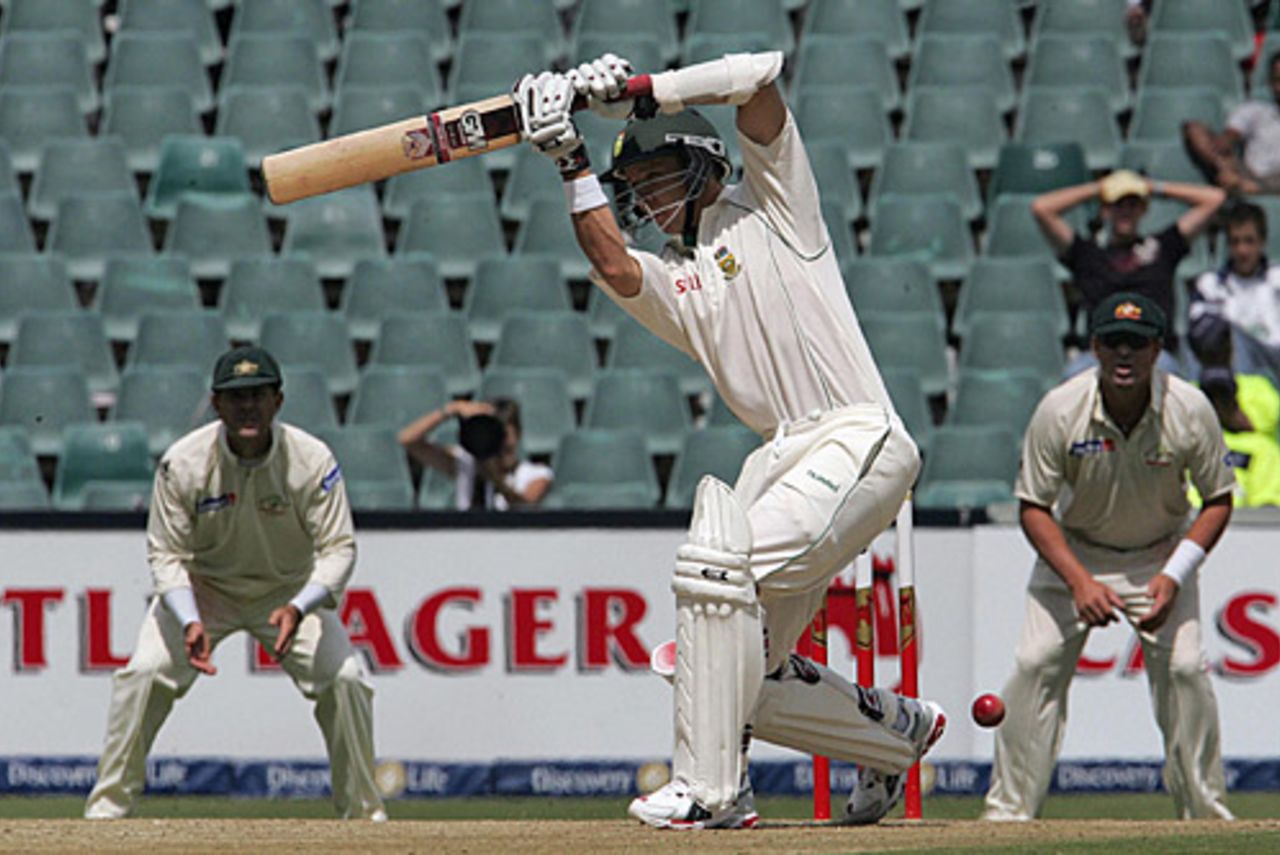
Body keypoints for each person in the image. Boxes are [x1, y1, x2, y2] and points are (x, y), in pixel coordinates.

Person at [512, 52, 945, 829]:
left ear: (701, 161)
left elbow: (761, 77)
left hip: (858, 434)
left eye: (651, 177)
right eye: (631, 187)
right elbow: (611, 260)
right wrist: (570, 158)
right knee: (731, 667)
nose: (640, 197)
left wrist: (643, 94)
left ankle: (713, 791)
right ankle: (891, 735)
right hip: (781, 460)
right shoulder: (684, 286)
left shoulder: (776, 206)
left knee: (713, 575)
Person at [84, 346, 385, 822]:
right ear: (217, 404)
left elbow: (339, 549)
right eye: (236, 396)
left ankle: (364, 818)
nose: (248, 406)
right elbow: (166, 554)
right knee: (142, 675)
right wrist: (187, 619)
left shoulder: (311, 459)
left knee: (346, 681)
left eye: (259, 395)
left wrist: (301, 606)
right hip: (203, 590)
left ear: (278, 401)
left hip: (289, 592)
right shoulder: (182, 463)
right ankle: (106, 813)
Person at [983, 293, 1235, 822]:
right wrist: (1078, 582)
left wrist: (1175, 574)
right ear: (1095, 347)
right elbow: (1033, 506)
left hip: (1162, 556)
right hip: (1074, 555)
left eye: (1138, 343)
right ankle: (1008, 815)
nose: (1125, 354)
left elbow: (1218, 500)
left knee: (1187, 670)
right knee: (1034, 665)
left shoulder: (1190, 409)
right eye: (1114, 342)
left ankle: (1204, 815)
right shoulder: (1060, 409)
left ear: (1156, 350)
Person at [1031, 168, 1225, 375]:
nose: (1126, 211)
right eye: (1118, 205)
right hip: (1099, 356)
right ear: (1106, 210)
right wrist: (1099, 188)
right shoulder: (1087, 254)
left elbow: (1214, 199)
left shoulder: (1162, 248)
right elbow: (1042, 208)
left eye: (1133, 204)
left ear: (1143, 209)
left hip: (1153, 354)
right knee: (1073, 379)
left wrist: (1152, 187)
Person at [398, 397, 552, 510]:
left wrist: (493, 477)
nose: (500, 445)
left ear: (518, 434)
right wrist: (451, 409)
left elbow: (525, 505)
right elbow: (408, 440)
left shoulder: (537, 474)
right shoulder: (465, 464)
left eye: (504, 436)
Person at [1188, 201, 1280, 384]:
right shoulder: (1210, 284)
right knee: (1228, 335)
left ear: (1262, 242)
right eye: (1235, 242)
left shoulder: (1277, 279)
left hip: (1275, 358)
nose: (1242, 250)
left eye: (1249, 241)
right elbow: (1202, 334)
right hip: (1232, 363)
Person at [1183, 51, 1280, 196]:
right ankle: (1242, 184)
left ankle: (1255, 189)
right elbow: (1229, 136)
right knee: (1194, 128)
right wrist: (1222, 162)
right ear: (1271, 83)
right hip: (1249, 175)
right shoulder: (1256, 110)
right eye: (1278, 80)